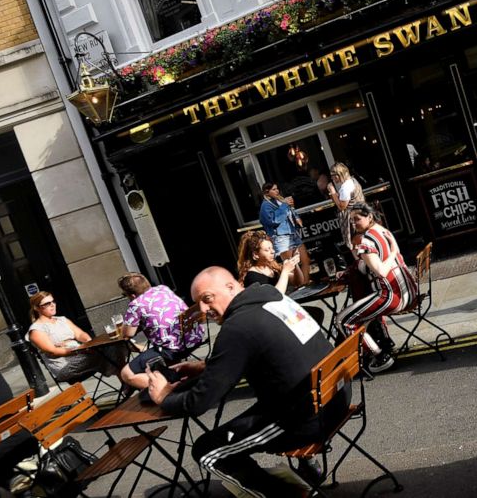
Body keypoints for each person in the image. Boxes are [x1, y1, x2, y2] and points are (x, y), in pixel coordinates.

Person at [146, 267, 349, 496]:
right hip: (335, 395)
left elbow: (198, 402)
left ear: (231, 287)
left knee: (207, 450)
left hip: (305, 418)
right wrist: (206, 366)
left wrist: (163, 396)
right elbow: (264, 347)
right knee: (232, 435)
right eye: (198, 302)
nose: (202, 309)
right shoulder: (273, 298)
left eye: (207, 299)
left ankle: (288, 494)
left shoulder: (238, 326)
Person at [336, 202, 416, 374]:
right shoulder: (382, 230)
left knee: (342, 320)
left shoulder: (366, 242)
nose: (353, 224)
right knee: (360, 316)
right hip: (409, 292)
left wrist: (393, 253)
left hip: (392, 297)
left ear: (369, 217)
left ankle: (379, 356)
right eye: (351, 221)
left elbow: (380, 271)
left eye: (357, 219)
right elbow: (373, 264)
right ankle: (384, 344)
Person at [116, 273, 205, 390]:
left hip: (173, 349)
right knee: (156, 359)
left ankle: (170, 389)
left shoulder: (136, 304)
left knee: (127, 374)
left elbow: (128, 334)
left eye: (124, 294)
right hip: (194, 338)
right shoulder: (163, 289)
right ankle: (173, 379)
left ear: (132, 295)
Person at [26, 291, 127, 386]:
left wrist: (90, 344)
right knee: (112, 350)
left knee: (113, 347)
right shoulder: (37, 330)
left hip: (82, 353)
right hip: (65, 366)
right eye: (47, 304)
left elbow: (80, 335)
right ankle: (128, 380)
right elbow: (53, 351)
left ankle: (127, 382)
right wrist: (80, 350)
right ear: (37, 308)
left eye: (53, 301)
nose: (53, 305)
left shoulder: (62, 319)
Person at [258, 182, 311, 285]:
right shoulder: (265, 206)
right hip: (281, 237)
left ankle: (306, 283)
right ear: (266, 192)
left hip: (292, 233)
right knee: (291, 266)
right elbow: (274, 220)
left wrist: (296, 217)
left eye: (277, 189)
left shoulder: (279, 200)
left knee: (305, 259)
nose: (277, 191)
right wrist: (284, 205)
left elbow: (290, 210)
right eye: (274, 189)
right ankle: (299, 287)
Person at [236, 230, 302, 292]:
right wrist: (285, 271)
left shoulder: (272, 267)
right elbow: (275, 297)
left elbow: (298, 282)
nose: (273, 251)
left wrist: (295, 263)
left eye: (272, 248)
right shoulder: (252, 276)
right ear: (256, 254)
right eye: (267, 250)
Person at [326, 162, 365, 250]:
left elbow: (341, 206)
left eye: (332, 175)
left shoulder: (345, 187)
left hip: (352, 219)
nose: (331, 178)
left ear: (338, 175)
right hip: (361, 214)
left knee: (354, 244)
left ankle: (361, 262)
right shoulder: (353, 181)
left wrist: (332, 191)